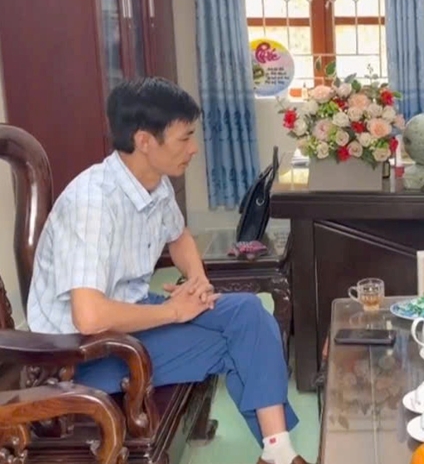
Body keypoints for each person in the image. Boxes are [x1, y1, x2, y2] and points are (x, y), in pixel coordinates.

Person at [26, 77, 309, 464]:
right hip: (82, 354)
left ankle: (278, 451)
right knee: (238, 345)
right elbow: (89, 317)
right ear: (145, 140)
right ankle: (279, 455)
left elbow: (179, 237)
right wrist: (174, 311)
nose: (194, 148)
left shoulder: (152, 183)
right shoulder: (92, 204)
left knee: (247, 312)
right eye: (185, 138)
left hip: (134, 316)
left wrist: (197, 280)